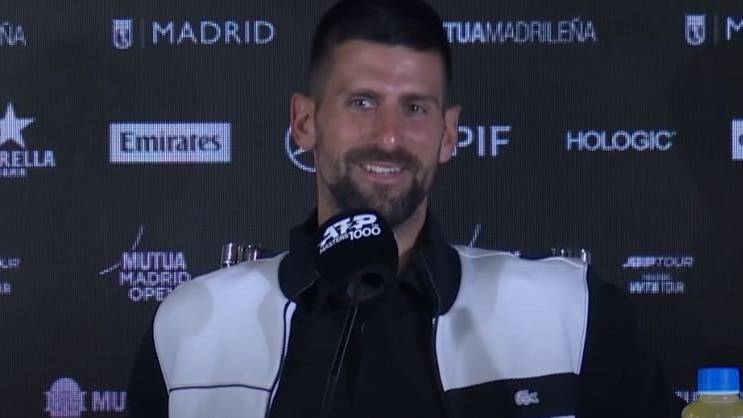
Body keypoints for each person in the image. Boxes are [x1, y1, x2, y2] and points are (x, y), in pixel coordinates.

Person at [127, 1, 685, 417]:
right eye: (362, 102)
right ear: (305, 122)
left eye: (415, 108)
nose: (389, 137)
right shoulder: (190, 329)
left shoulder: (572, 312)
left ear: (448, 133)